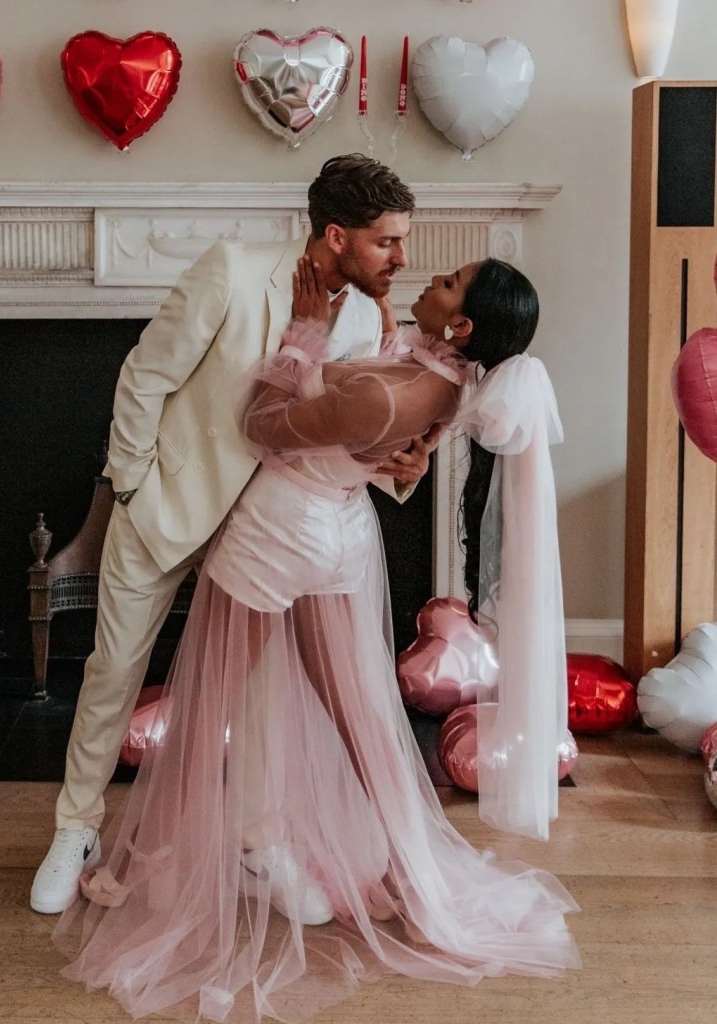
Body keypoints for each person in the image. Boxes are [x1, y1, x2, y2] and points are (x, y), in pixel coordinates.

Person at [52, 255, 580, 1023]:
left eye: (447, 283)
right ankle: (407, 866)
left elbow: (262, 426)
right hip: (337, 536)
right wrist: (379, 338)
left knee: (208, 698)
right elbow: (389, 418)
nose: (427, 275)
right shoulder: (444, 377)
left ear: (462, 325)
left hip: (279, 532)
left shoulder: (392, 387)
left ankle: (136, 869)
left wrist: (303, 332)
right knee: (358, 711)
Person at [30, 155, 440, 915]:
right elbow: (145, 375)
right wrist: (131, 484)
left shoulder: (358, 318)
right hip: (165, 511)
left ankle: (257, 845)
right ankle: (77, 828)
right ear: (336, 235)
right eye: (388, 241)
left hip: (267, 539)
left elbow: (325, 431)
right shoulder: (232, 268)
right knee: (113, 673)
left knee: (260, 696)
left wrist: (399, 470)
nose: (404, 258)